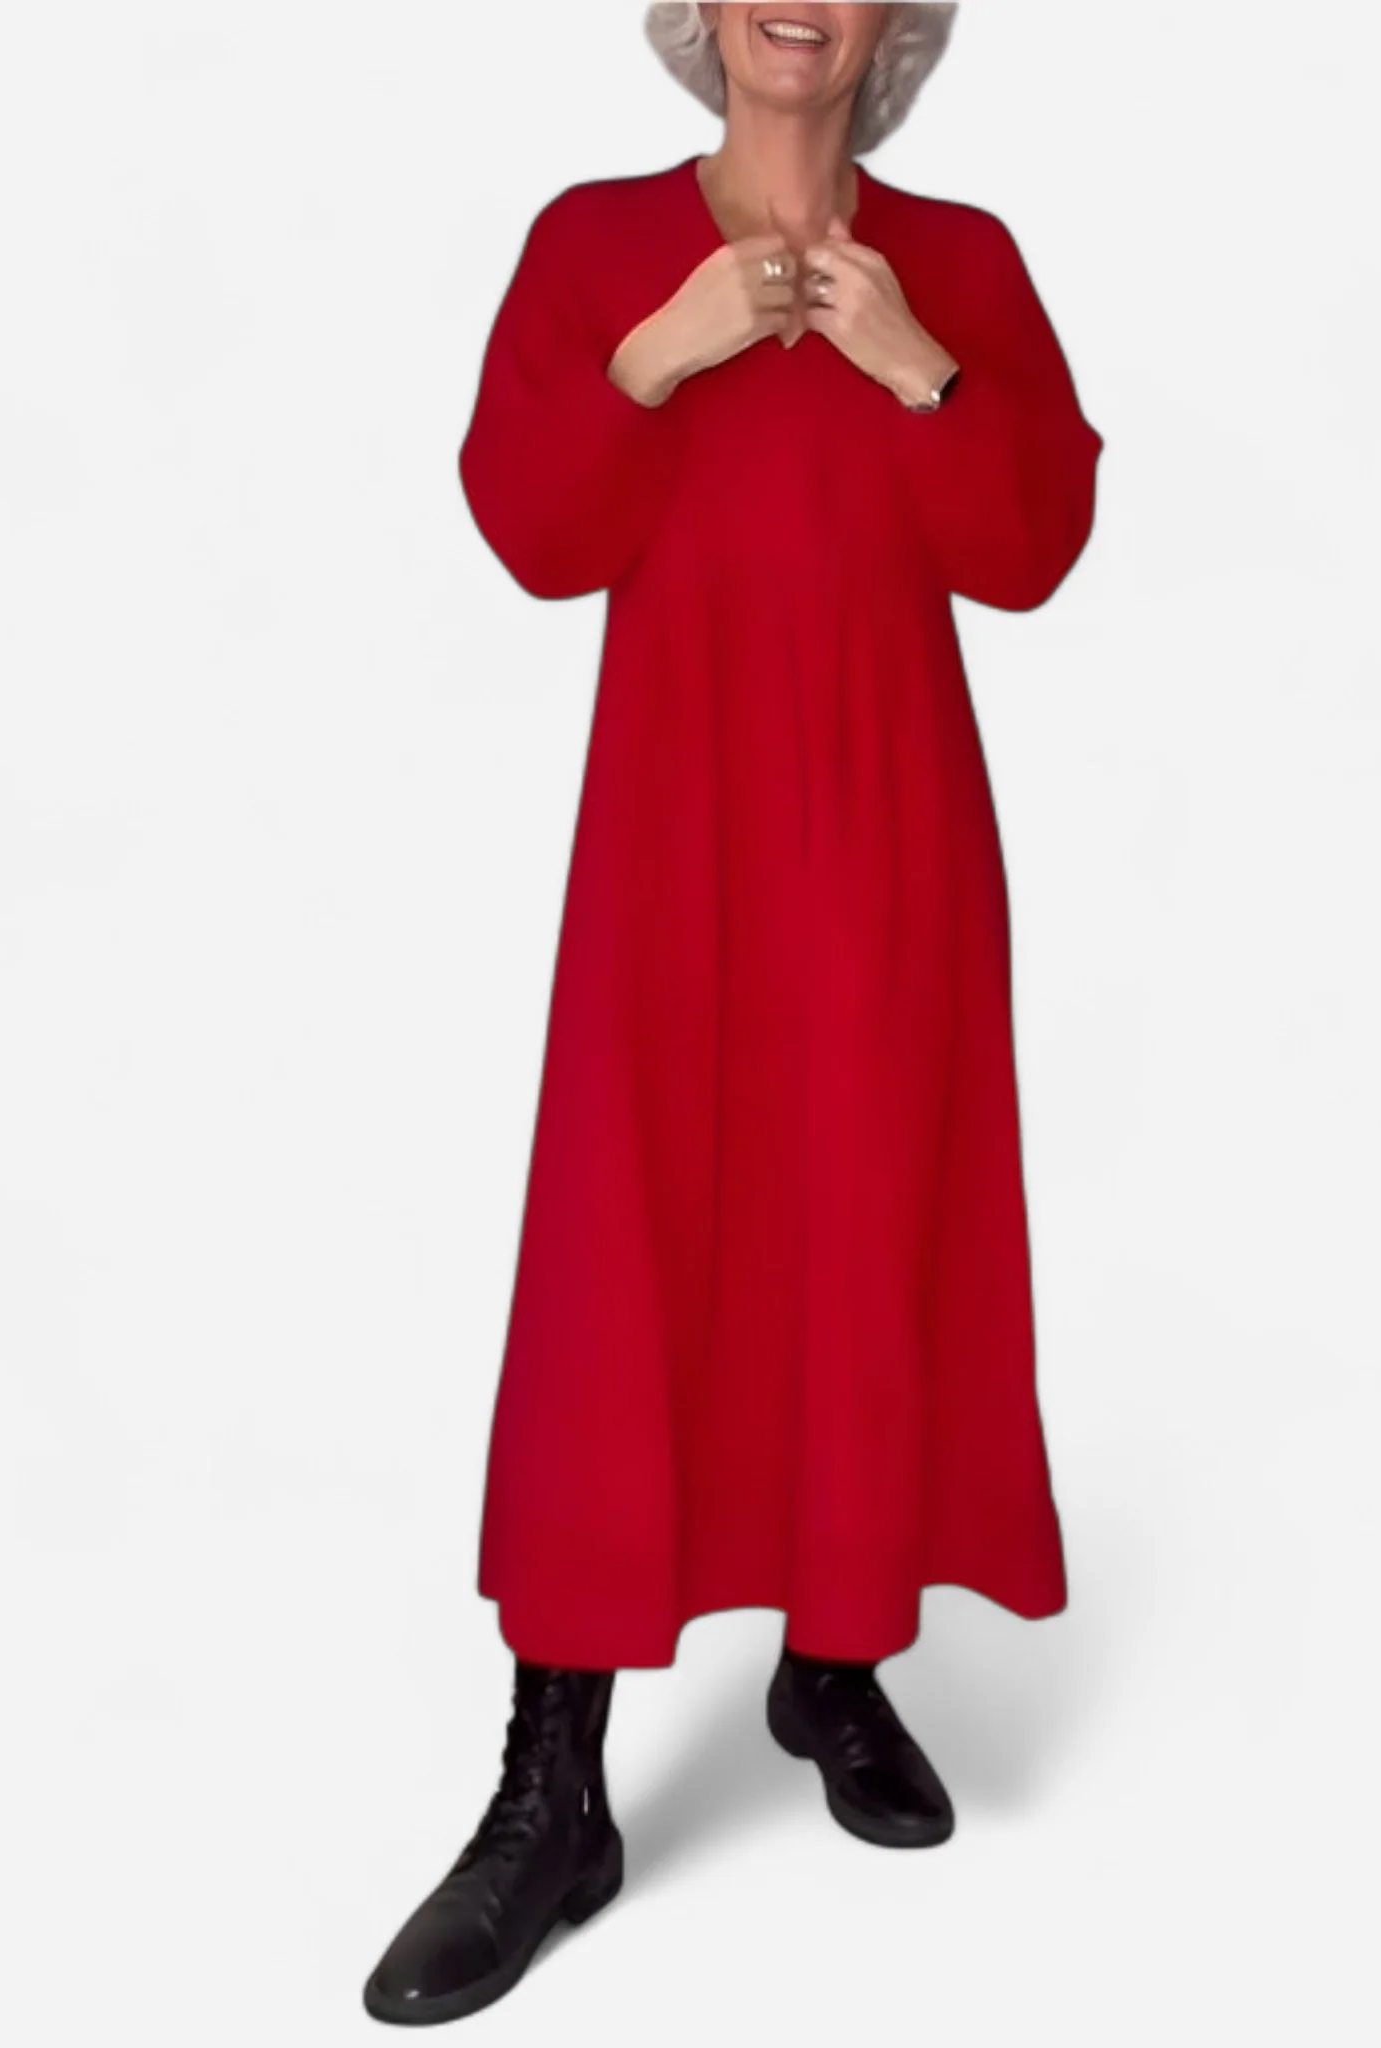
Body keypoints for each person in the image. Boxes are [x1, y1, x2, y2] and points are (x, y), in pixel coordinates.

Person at [365, 2, 1102, 2023]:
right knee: (623, 1271)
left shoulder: (960, 264)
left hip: (888, 848)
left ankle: (832, 1658)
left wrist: (916, 362)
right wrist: (655, 356)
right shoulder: (595, 244)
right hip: (673, 846)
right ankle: (552, 1793)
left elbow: (1032, 548)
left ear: (895, 22)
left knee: (864, 1239)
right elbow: (535, 533)